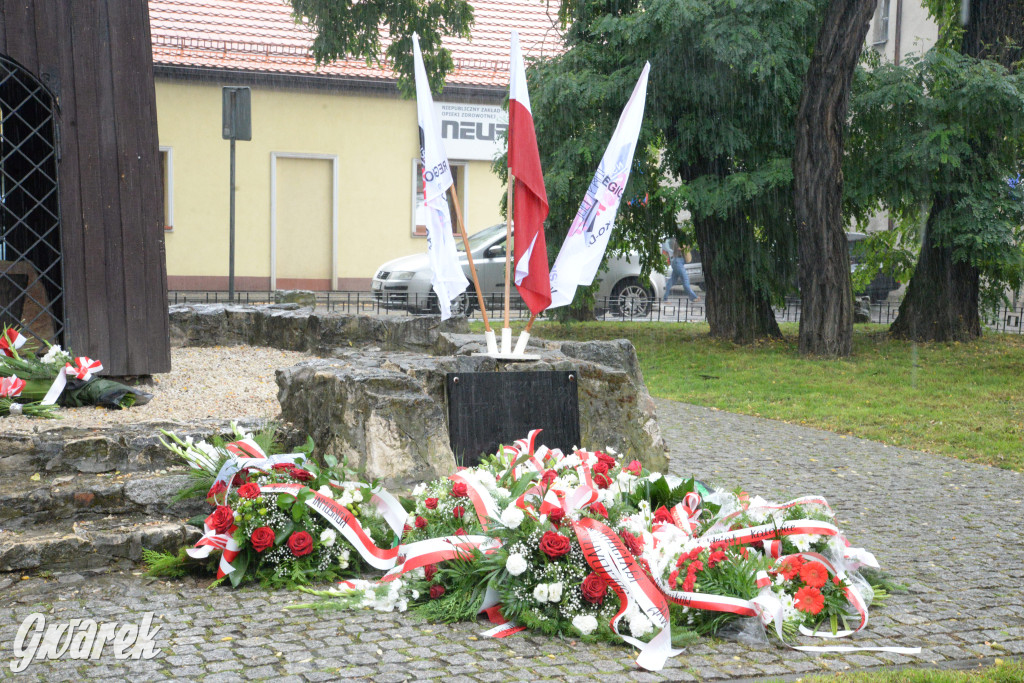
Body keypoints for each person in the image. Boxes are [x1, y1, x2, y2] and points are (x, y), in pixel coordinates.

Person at [662, 236, 699, 302]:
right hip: (678, 262)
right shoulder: (679, 241)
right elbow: (681, 248)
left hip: (677, 262)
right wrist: (687, 247)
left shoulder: (678, 240)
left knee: (671, 281)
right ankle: (694, 297)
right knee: (685, 281)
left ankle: (665, 298)